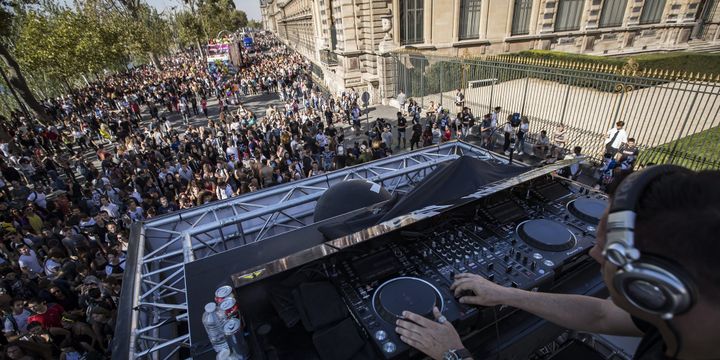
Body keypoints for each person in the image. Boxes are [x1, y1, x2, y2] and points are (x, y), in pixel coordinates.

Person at [397, 166, 720, 360]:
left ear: (651, 284)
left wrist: (455, 354)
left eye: (607, 248)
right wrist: (506, 294)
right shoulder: (678, 314)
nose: (594, 254)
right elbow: (602, 313)